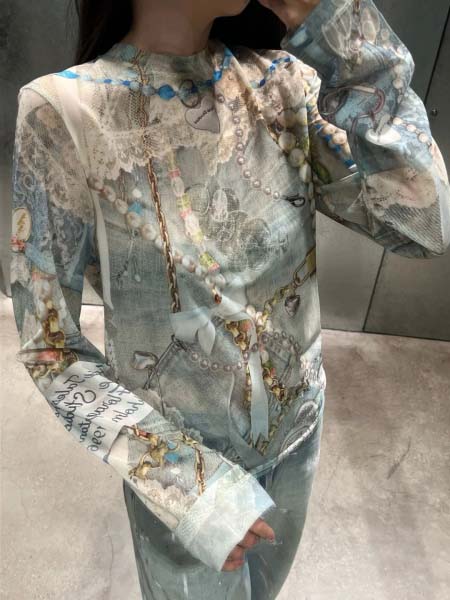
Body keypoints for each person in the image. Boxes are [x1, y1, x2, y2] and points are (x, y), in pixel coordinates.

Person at [9, 0, 450, 598]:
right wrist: (192, 489)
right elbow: (51, 349)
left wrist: (347, 39)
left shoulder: (285, 84)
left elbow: (422, 225)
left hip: (297, 436)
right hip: (183, 467)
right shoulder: (64, 110)